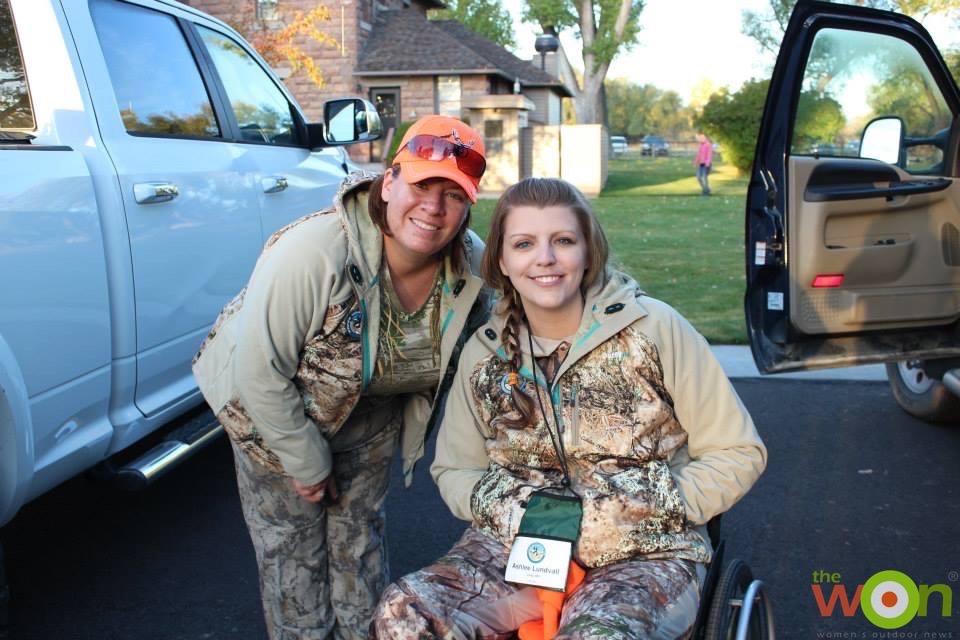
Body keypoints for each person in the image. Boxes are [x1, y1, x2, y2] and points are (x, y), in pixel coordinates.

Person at [371, 177, 766, 639]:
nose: (545, 259)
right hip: (517, 550)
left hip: (644, 552)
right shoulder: (485, 352)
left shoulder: (655, 330)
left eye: (563, 241)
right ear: (501, 258)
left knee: (597, 634)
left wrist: (638, 509)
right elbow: (455, 470)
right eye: (524, 243)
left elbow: (738, 453)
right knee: (405, 611)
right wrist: (517, 513)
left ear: (587, 250)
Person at [191, 115, 490, 640]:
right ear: (389, 180)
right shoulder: (314, 252)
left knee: (359, 548)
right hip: (272, 413)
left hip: (370, 415)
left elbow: (535, 298)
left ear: (468, 207)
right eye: (422, 184)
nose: (434, 207)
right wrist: (305, 462)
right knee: (295, 560)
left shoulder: (471, 268)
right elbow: (260, 370)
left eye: (454, 195)